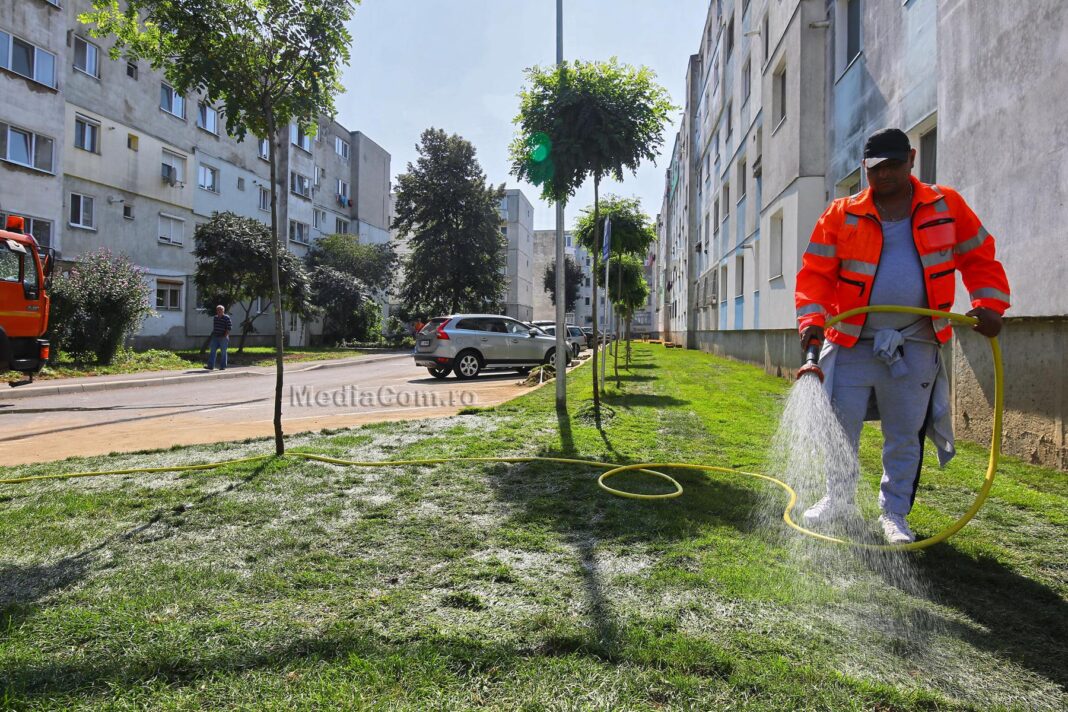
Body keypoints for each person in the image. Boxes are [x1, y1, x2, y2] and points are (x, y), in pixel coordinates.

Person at [794, 128, 1010, 544]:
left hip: (916, 341)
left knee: (905, 432)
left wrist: (990, 305)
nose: (885, 174)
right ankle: (837, 498)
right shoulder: (842, 213)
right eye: (876, 168)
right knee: (841, 426)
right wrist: (812, 324)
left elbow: (979, 255)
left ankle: (894, 513)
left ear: (911, 159)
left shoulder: (946, 205)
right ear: (865, 168)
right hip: (853, 339)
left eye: (894, 165)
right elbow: (815, 275)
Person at [206, 305, 232, 370]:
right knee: (212, 351)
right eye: (218, 310)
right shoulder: (215, 317)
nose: (219, 311)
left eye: (220, 310)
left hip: (223, 337)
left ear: (223, 311)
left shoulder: (226, 317)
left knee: (223, 352)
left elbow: (229, 327)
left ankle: (223, 366)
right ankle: (210, 366)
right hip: (215, 337)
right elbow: (215, 327)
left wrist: (225, 335)